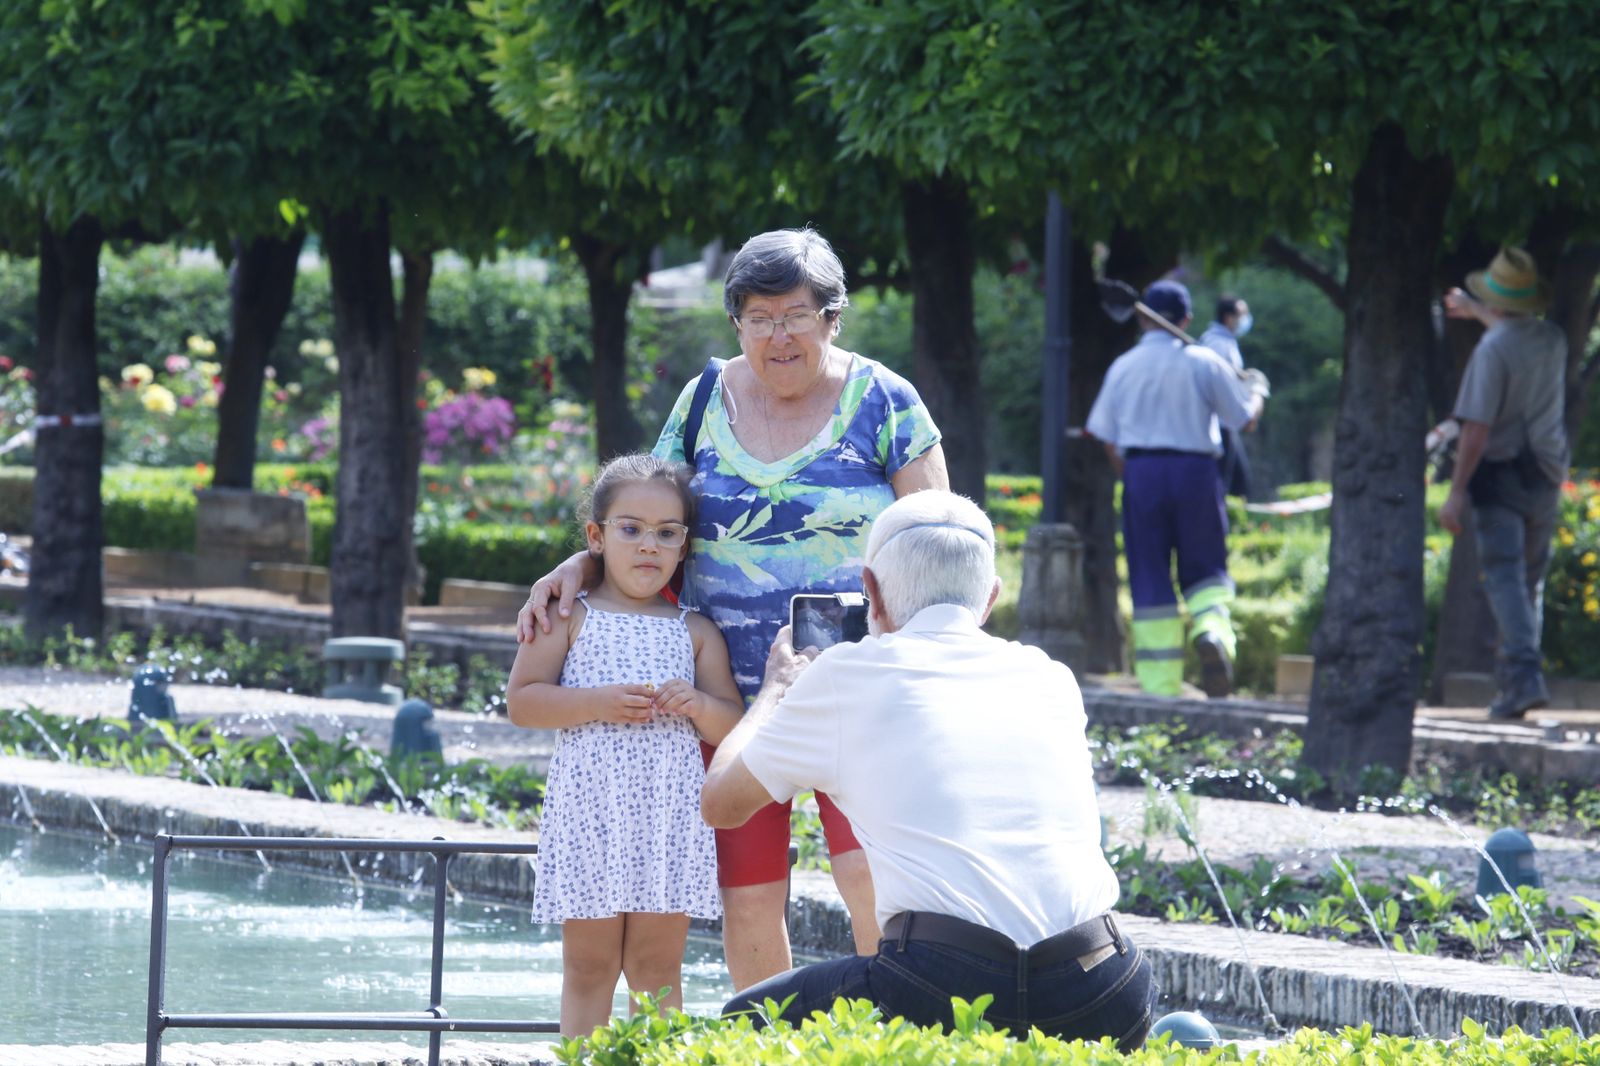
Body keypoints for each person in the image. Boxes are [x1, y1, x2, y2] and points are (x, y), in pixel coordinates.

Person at [517, 226, 949, 990]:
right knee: (750, 904)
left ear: (831, 318)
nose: (778, 334)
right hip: (728, 708)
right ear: (738, 324)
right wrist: (579, 565)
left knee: (876, 892)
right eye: (759, 317)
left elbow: (942, 545)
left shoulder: (886, 401)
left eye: (795, 315)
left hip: (860, 696)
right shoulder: (704, 398)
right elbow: (648, 508)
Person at [702, 490, 1157, 1048]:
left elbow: (721, 803)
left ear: (870, 590)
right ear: (989, 599)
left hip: (944, 982)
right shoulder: (1050, 675)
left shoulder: (848, 672)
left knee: (744, 1020)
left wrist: (774, 692)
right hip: (1105, 984)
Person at [505, 453, 744, 1037]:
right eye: (630, 529)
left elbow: (733, 726)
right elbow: (523, 701)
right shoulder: (568, 616)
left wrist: (698, 705)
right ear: (596, 536)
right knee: (588, 966)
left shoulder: (695, 631)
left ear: (684, 547)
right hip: (591, 815)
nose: (648, 547)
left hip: (667, 821)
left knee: (656, 969)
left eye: (667, 534)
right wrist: (596, 703)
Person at [1086, 280, 1264, 699]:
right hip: (1196, 473)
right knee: (1205, 568)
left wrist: (1130, 475)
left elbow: (1107, 438)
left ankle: (1162, 685)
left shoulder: (1123, 367)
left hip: (1141, 473)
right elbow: (1245, 420)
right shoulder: (1204, 362)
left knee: (1149, 574)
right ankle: (1212, 632)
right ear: (1185, 320)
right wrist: (1256, 390)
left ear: (1142, 317)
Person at [1436, 246, 1568, 720]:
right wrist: (1477, 313)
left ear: (1493, 300)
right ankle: (1516, 686)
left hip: (1502, 475)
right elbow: (1515, 337)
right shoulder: (1551, 339)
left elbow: (1476, 429)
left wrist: (1454, 494)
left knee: (1504, 577)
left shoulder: (1491, 352)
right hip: (1547, 473)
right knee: (1528, 581)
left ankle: (1523, 679)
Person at [1199, 294, 1255, 498]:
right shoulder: (1217, 344)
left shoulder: (1224, 341)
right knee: (1223, 485)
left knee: (1239, 484)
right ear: (1229, 318)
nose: (1246, 319)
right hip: (1220, 423)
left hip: (1227, 422)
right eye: (1243, 314)